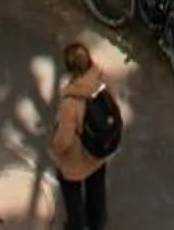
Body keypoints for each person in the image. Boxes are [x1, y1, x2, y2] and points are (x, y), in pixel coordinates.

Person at [52, 42, 117, 230]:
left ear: (70, 70)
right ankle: (98, 222)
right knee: (96, 188)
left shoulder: (70, 102)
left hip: (76, 160)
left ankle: (77, 226)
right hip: (98, 151)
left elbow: (64, 140)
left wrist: (56, 149)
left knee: (71, 193)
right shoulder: (101, 82)